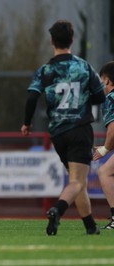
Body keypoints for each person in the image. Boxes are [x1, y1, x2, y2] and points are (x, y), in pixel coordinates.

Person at [21, 20, 105, 235]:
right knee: (77, 181)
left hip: (57, 132)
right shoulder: (83, 66)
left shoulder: (45, 70)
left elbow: (32, 97)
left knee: (77, 182)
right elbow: (98, 96)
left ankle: (90, 227)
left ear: (51, 41)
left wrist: (27, 123)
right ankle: (57, 211)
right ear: (72, 40)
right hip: (79, 128)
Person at [92, 61, 114, 229]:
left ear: (107, 81)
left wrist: (105, 149)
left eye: (102, 81)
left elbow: (113, 129)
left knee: (104, 172)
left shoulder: (110, 98)